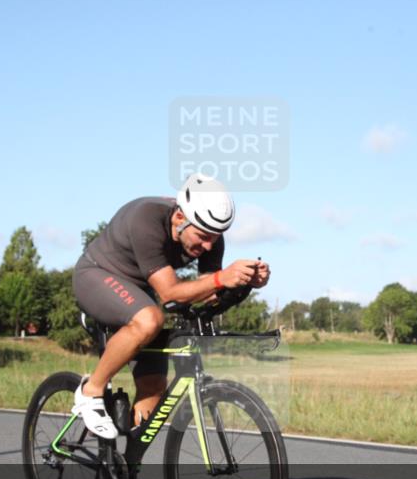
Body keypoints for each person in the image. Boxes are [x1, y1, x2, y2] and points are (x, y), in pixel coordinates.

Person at [71, 174, 270, 438]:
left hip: (138, 289)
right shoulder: (146, 220)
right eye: (202, 236)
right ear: (180, 218)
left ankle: (129, 473)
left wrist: (244, 284)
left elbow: (207, 294)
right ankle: (91, 391)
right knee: (150, 319)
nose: (208, 245)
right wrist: (222, 277)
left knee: (153, 386)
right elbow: (170, 293)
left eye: (216, 237)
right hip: (96, 274)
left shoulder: (209, 237)